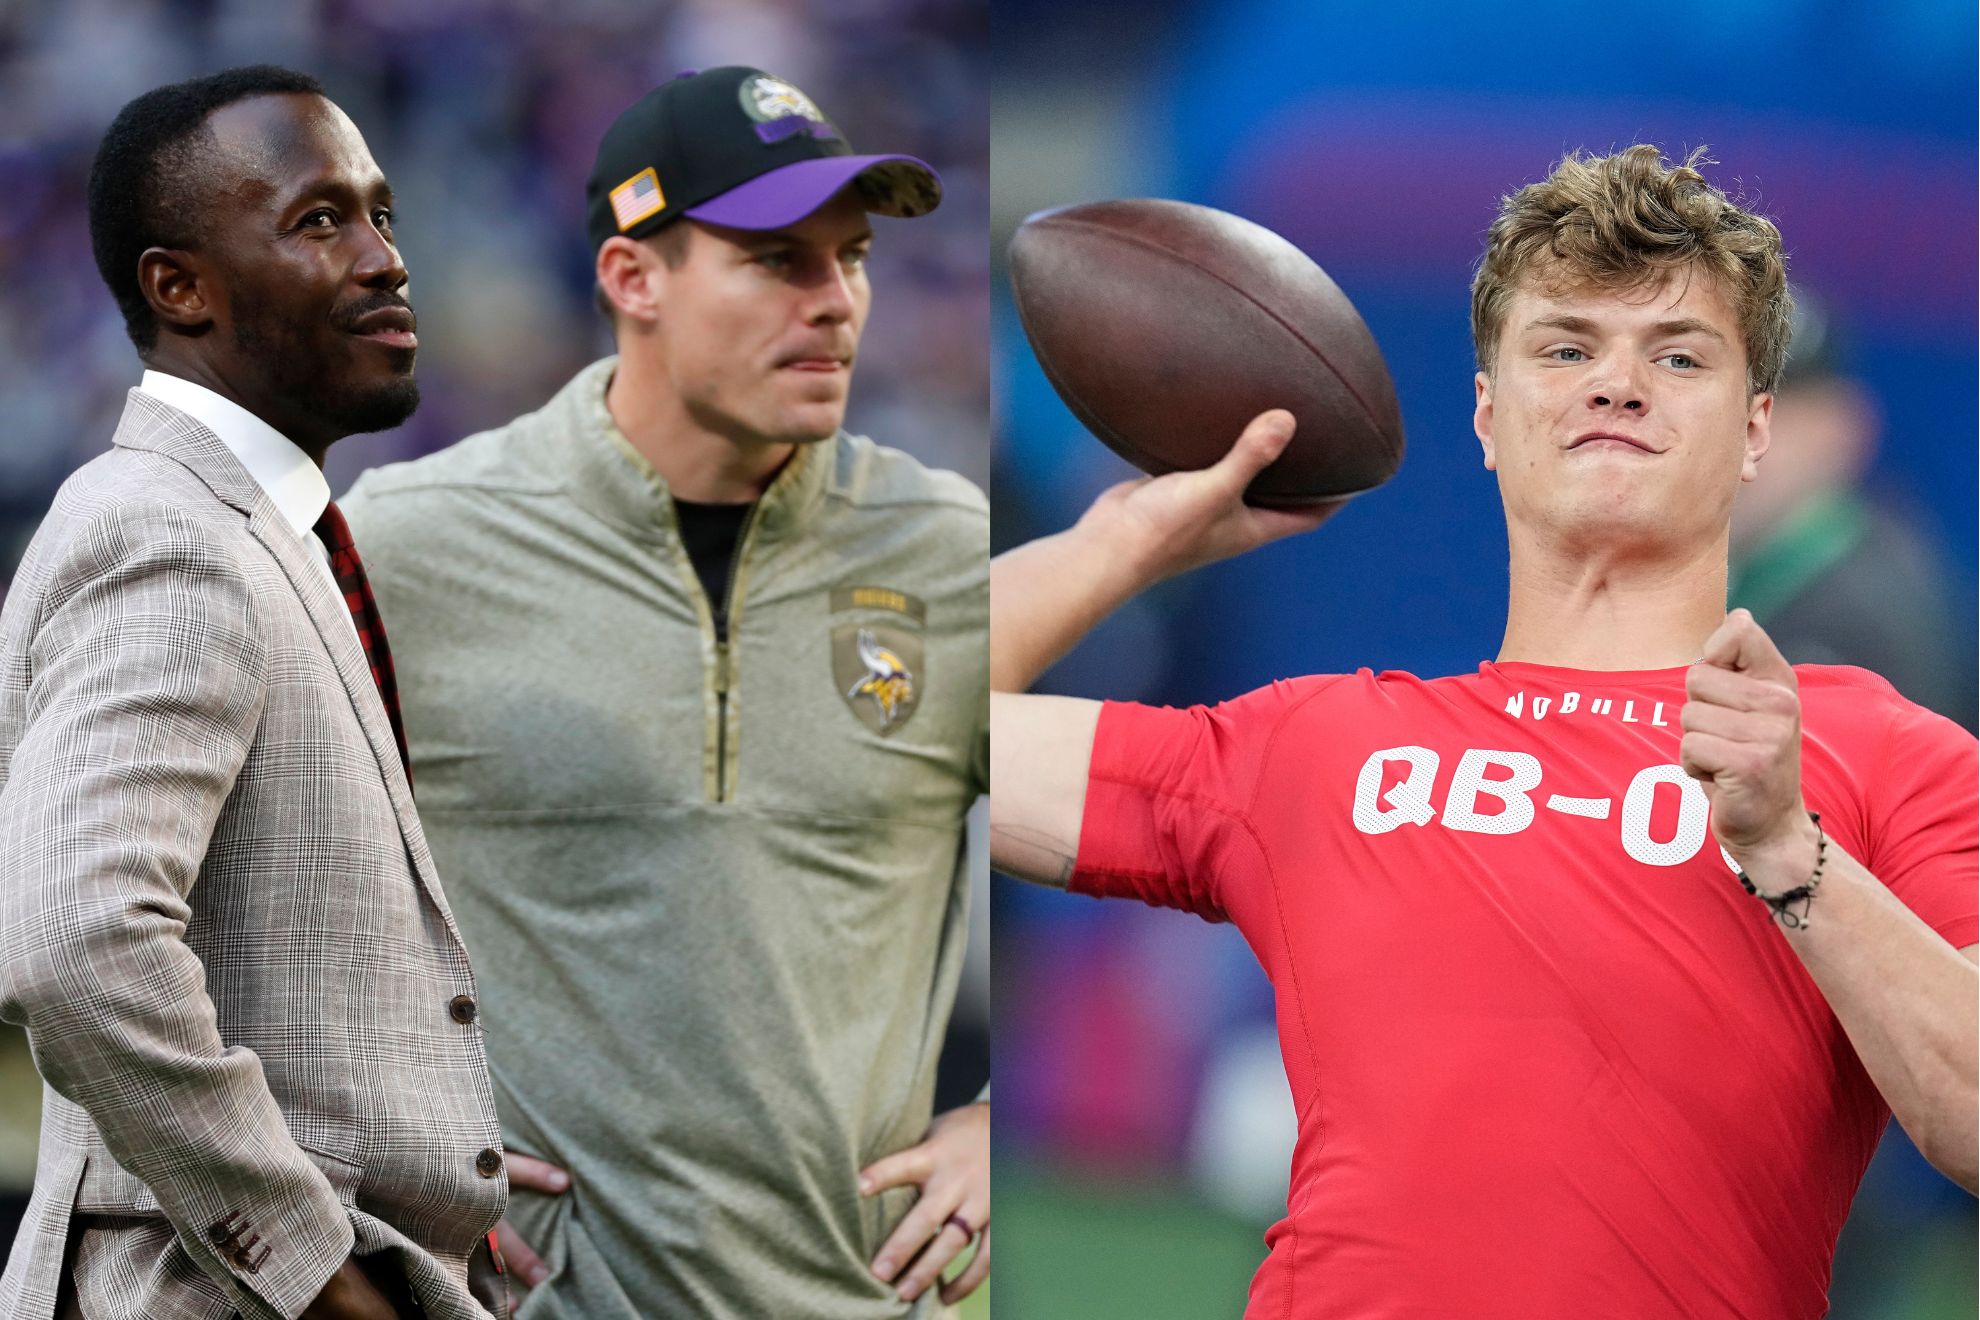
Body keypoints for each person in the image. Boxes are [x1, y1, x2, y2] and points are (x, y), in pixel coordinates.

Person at [990, 146, 1976, 1316]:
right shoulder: (1319, 742)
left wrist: (1789, 851)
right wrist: (1124, 544)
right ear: (1487, 416)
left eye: (1677, 356)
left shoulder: (1876, 754)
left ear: (1757, 429)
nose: (1616, 386)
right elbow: (907, 727)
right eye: (1564, 349)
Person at [339, 67, 989, 1318]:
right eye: (777, 261)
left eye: (850, 258)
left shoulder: (938, 537)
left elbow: (986, 881)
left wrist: (978, 1116)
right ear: (634, 279)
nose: (838, 302)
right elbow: (232, 869)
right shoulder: (415, 539)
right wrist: (338, 1136)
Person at [0, 67, 508, 1320]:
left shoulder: (266, 531)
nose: (387, 259)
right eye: (320, 220)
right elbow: (78, 946)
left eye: (382, 214)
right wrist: (320, 1274)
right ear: (180, 287)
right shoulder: (166, 532)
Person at [1728, 289, 1977, 730]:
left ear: (1848, 430)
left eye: (1780, 415)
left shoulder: (1856, 616)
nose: (1749, 439)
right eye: (1732, 405)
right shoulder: (1778, 565)